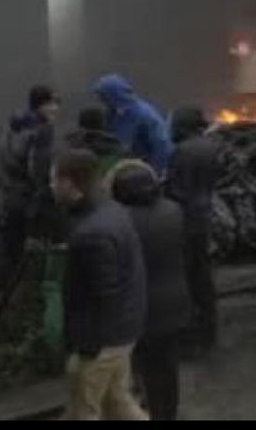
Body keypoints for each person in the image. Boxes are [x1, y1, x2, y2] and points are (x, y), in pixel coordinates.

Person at [51, 149, 149, 421]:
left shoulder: (91, 234)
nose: (51, 186)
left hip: (99, 344)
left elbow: (103, 295)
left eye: (53, 180)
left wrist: (86, 347)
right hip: (124, 332)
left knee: (84, 411)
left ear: (69, 183)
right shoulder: (113, 211)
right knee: (118, 403)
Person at [109, 160, 190, 421]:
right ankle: (168, 414)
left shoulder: (121, 223)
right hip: (174, 300)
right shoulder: (173, 211)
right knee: (167, 369)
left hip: (138, 308)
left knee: (141, 369)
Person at [166, 106, 222, 355]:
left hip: (186, 220)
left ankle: (190, 336)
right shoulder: (210, 145)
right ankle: (209, 331)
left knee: (188, 278)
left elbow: (176, 189)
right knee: (204, 277)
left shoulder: (182, 151)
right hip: (205, 214)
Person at [0, 85, 60, 273]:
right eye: (52, 103)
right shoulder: (42, 131)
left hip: (9, 193)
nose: (56, 108)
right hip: (28, 197)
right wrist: (45, 196)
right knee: (34, 254)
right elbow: (38, 171)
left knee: (12, 248)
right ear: (41, 105)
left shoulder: (14, 126)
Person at [93, 74, 173, 175]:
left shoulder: (145, 115)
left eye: (103, 97)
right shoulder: (113, 113)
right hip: (123, 166)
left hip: (144, 168)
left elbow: (161, 145)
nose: (102, 102)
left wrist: (156, 172)